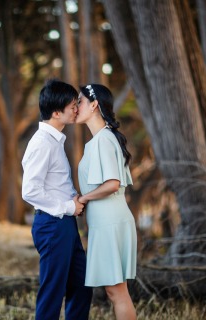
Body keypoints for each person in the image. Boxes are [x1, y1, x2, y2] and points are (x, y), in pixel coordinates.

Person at [22, 79, 93, 320]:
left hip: (64, 223)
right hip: (52, 224)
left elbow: (53, 183)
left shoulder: (55, 141)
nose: (76, 109)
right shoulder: (42, 143)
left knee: (82, 285)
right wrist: (67, 206)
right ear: (55, 112)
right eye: (72, 105)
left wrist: (72, 198)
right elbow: (30, 190)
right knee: (52, 292)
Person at [75, 83, 137, 320]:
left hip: (110, 222)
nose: (76, 106)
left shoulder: (103, 139)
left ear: (94, 105)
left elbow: (112, 184)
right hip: (107, 221)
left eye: (79, 101)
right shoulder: (101, 139)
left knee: (116, 292)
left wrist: (83, 198)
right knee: (116, 291)